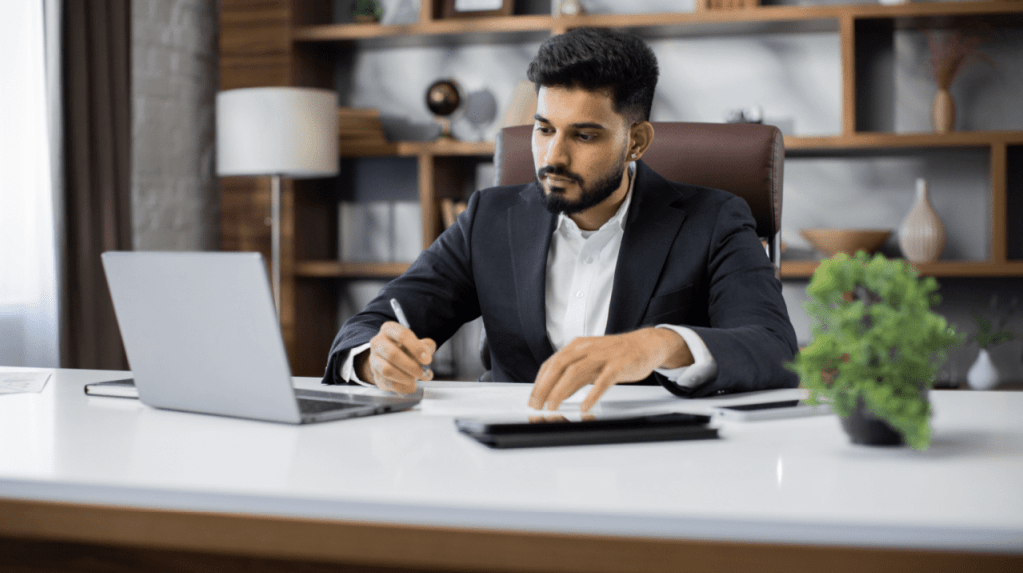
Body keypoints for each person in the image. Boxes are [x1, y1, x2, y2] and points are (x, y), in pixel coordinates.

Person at [323, 27, 798, 412]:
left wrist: (655, 346)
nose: (554, 156)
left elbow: (775, 349)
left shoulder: (712, 219)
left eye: (585, 136)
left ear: (636, 142)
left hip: (651, 463)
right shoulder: (489, 217)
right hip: (509, 458)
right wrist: (374, 360)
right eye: (544, 129)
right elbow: (371, 324)